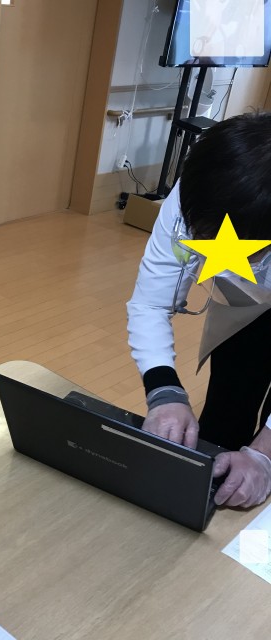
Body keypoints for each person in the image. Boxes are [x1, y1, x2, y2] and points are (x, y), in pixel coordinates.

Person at [127, 111, 271, 509]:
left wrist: (264, 455)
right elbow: (150, 301)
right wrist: (164, 391)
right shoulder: (202, 185)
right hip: (245, 304)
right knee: (228, 401)